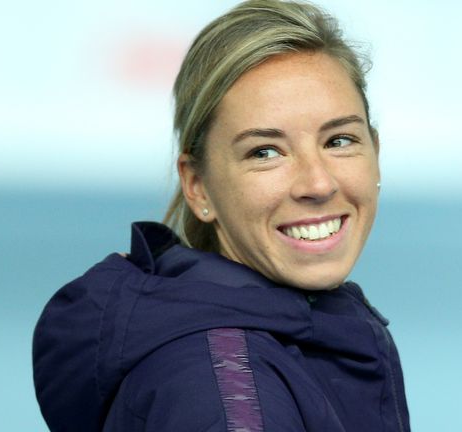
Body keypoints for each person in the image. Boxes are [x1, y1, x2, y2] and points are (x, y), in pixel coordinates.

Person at [33, 1, 410, 431]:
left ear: (375, 152)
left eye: (339, 140)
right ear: (197, 186)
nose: (318, 183)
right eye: (265, 152)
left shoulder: (281, 343)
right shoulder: (227, 395)